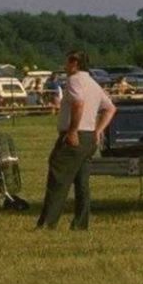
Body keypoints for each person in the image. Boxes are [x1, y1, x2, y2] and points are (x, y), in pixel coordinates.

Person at [36, 51, 117, 230]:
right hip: (89, 137)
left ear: (74, 63)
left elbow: (78, 103)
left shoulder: (74, 80)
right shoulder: (94, 84)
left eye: (67, 62)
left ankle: (48, 222)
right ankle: (81, 223)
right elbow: (110, 108)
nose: (65, 66)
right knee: (82, 183)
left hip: (76, 135)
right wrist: (98, 130)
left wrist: (72, 131)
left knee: (58, 177)